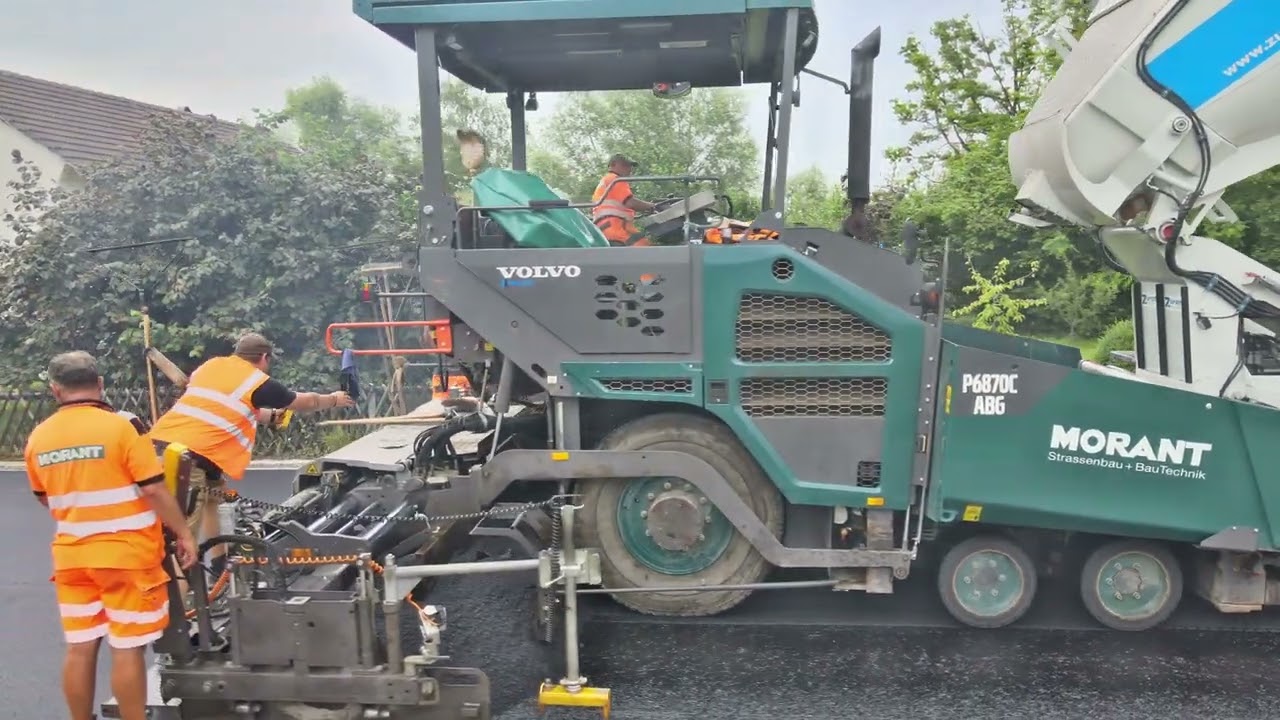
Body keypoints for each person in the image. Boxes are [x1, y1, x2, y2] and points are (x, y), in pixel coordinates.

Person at [25, 351, 198, 720]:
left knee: (80, 647)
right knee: (128, 647)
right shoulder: (121, 428)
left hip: (73, 559)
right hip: (127, 557)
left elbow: (45, 497)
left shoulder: (38, 437)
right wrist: (184, 533)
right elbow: (153, 489)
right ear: (100, 383)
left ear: (56, 391)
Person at [147, 332, 355, 572]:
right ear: (264, 357)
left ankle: (218, 563)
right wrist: (334, 399)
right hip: (183, 458)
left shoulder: (211, 366)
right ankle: (178, 599)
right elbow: (305, 402)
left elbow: (230, 405)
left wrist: (272, 417)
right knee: (182, 539)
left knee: (214, 498)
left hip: (169, 445)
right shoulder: (256, 381)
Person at [591, 153, 658, 246]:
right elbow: (630, 203)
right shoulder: (615, 179)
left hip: (607, 227)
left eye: (630, 166)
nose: (629, 169)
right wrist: (651, 206)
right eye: (625, 165)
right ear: (613, 165)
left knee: (645, 244)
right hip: (615, 228)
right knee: (646, 248)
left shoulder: (606, 180)